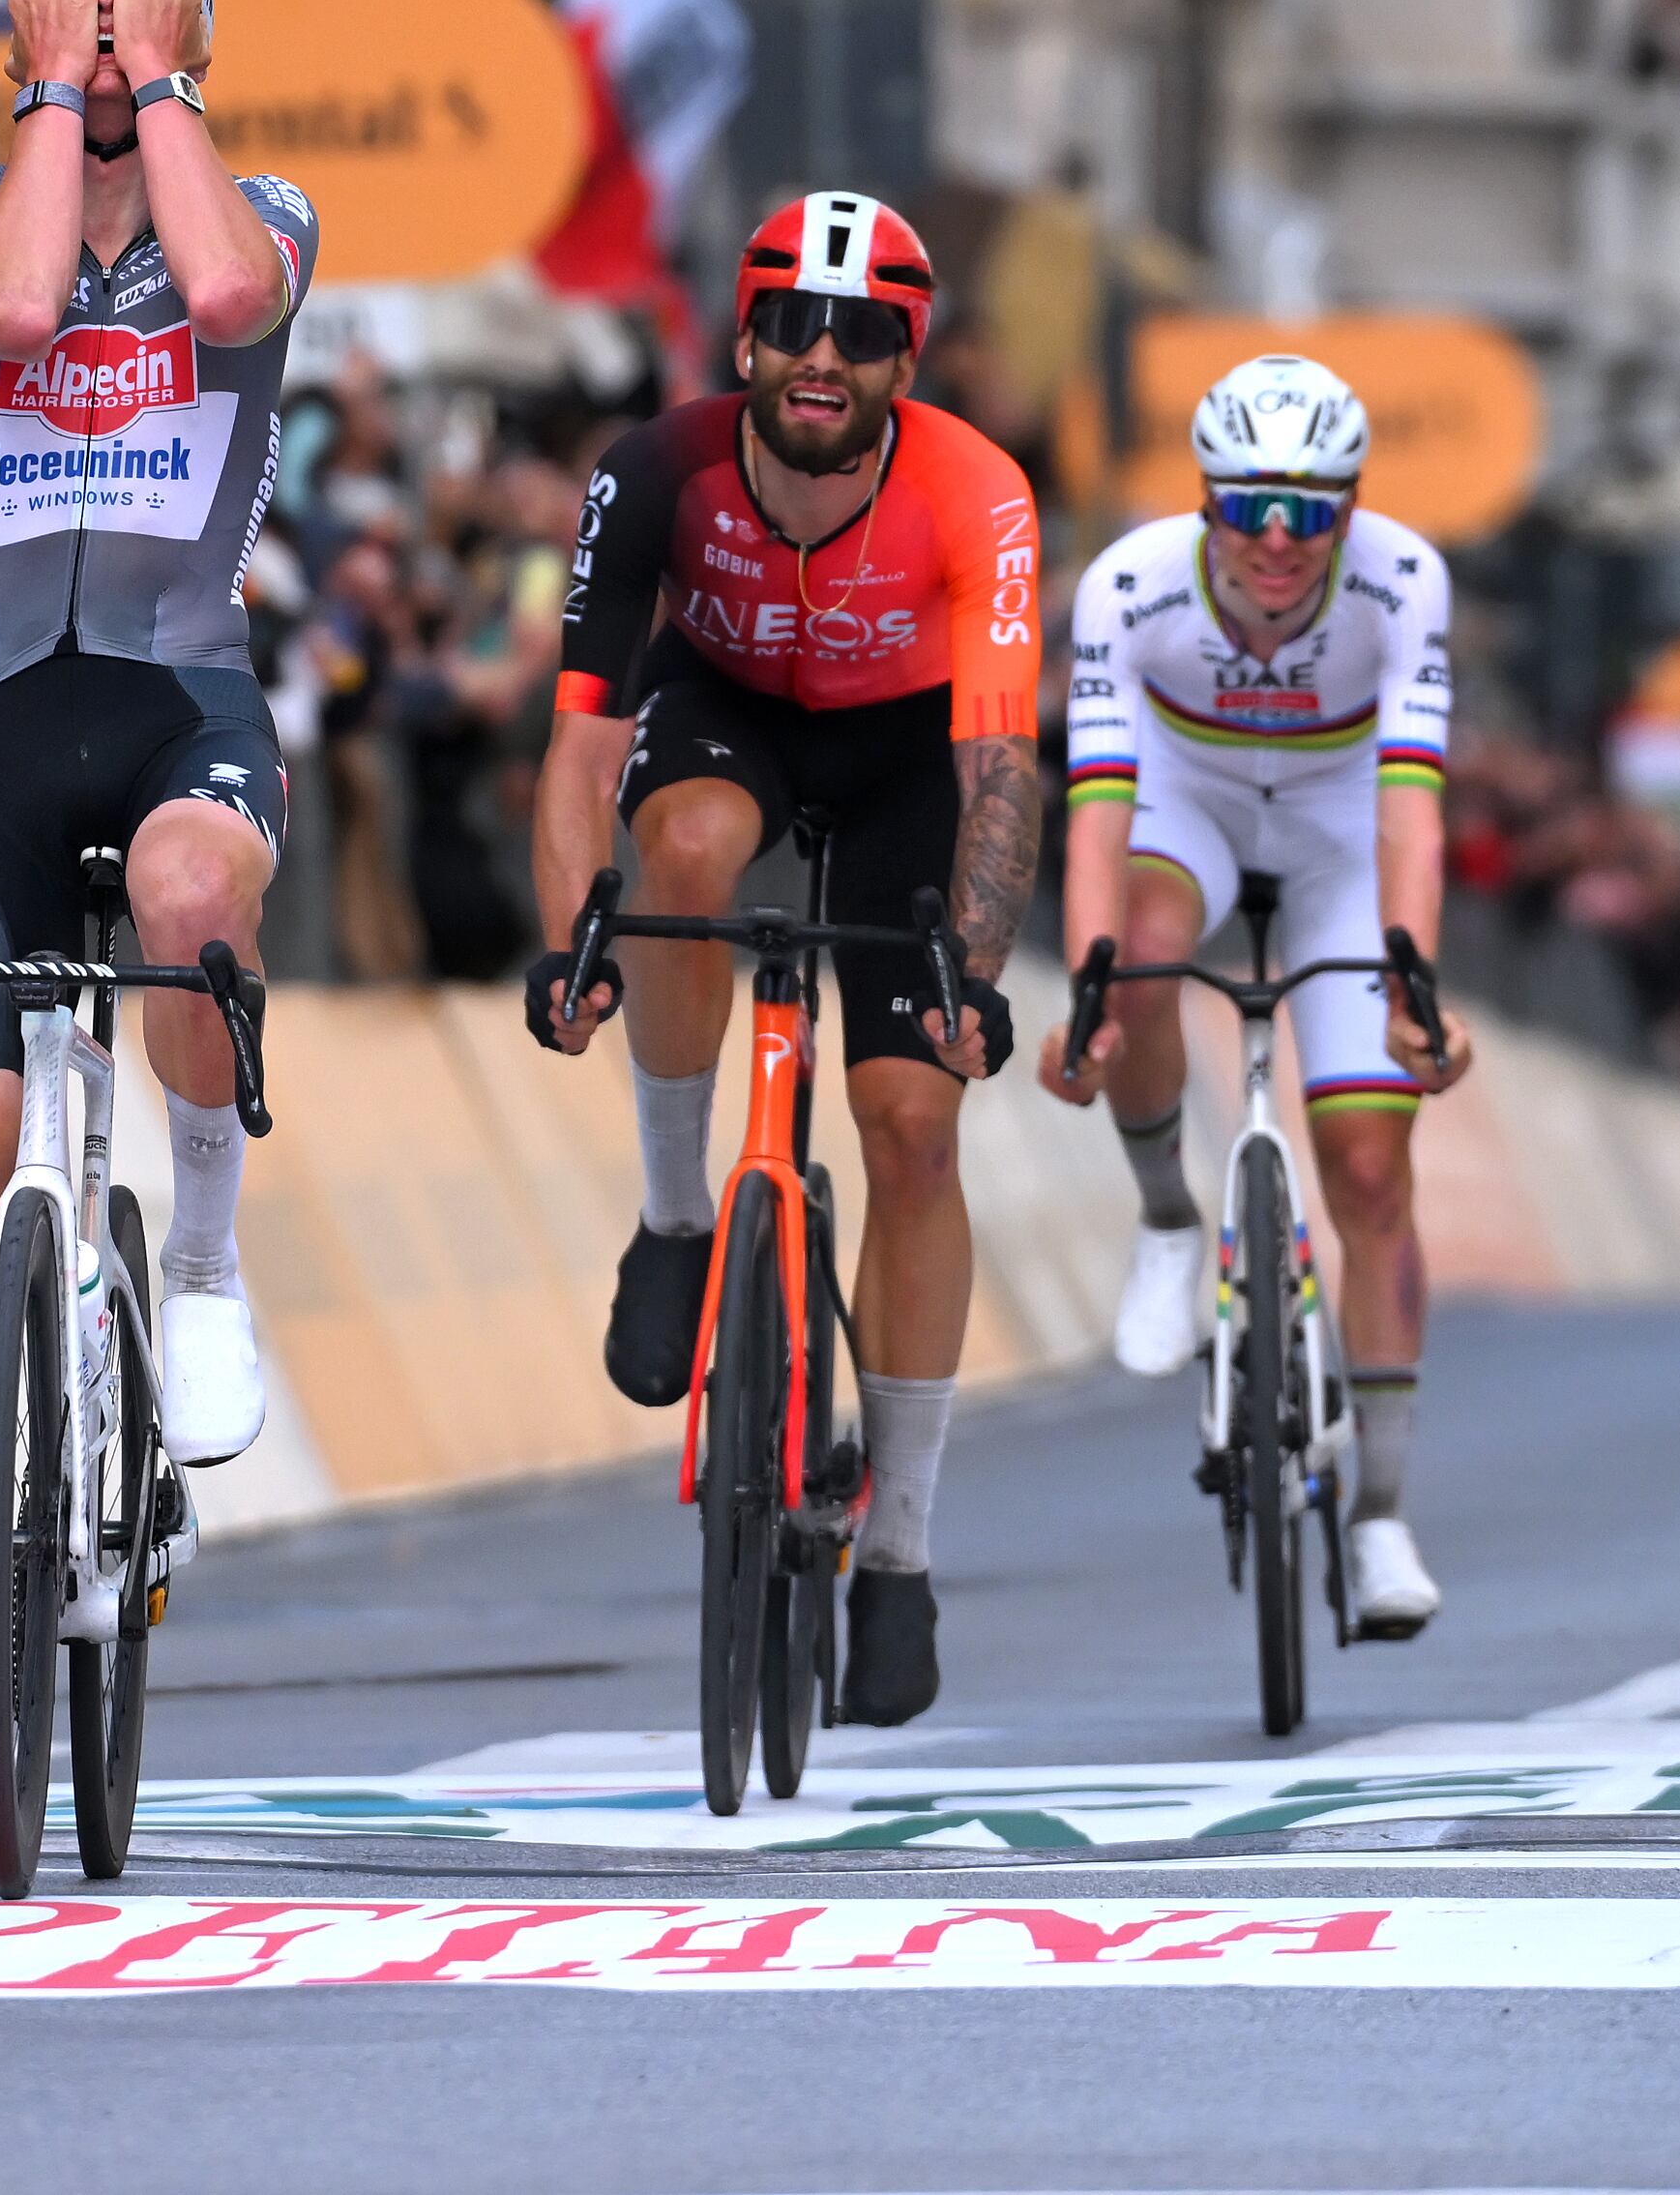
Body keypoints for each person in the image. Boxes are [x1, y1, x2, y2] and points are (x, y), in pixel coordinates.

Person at [0, 0, 314, 1800]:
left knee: (189, 897)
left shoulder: (265, 208)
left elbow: (222, 308)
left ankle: (199, 1270)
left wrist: (168, 83)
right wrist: (54, 91)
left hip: (172, 703)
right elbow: (13, 318)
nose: (114, 54)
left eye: (148, 28)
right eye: (86, 22)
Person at [522, 190, 1043, 1729]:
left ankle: (897, 1546)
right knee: (678, 860)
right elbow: (575, 748)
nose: (825, 354)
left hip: (903, 758)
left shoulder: (979, 491)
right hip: (725, 707)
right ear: (743, 339)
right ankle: (680, 1218)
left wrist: (975, 962)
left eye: (865, 333)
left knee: (911, 1127)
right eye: (796, 326)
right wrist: (571, 947)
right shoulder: (656, 470)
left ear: (905, 359)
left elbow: (1000, 769)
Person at [1042, 350, 1468, 1637]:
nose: (1278, 537)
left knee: (1371, 1169)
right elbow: (1097, 818)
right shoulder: (1126, 584)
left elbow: (1409, 813)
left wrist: (1409, 984)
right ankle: (1170, 1216)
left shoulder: (1401, 581)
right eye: (1247, 505)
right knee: (1147, 945)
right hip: (1192, 802)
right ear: (1203, 499)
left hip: (1341, 829)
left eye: (1310, 507)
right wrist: (1089, 990)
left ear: (1350, 505)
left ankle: (1382, 1512)